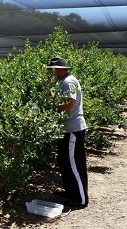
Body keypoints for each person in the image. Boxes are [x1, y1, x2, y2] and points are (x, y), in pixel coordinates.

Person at [47, 57, 89, 208]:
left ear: (59, 69)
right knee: (65, 163)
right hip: (66, 129)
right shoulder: (62, 82)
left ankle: (81, 200)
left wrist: (54, 107)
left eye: (52, 70)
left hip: (73, 129)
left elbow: (70, 104)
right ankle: (70, 193)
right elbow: (63, 101)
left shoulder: (68, 81)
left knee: (74, 164)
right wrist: (51, 96)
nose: (51, 73)